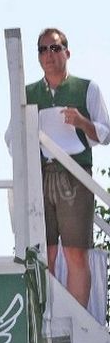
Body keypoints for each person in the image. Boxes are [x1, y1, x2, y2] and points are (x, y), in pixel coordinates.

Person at [26, 28, 110, 307]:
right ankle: (46, 318)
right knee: (44, 253)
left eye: (54, 48)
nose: (48, 54)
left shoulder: (87, 88)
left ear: (67, 52)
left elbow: (106, 134)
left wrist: (82, 123)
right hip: (40, 175)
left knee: (76, 253)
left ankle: (79, 321)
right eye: (42, 49)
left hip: (75, 174)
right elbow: (12, 137)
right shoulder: (28, 93)